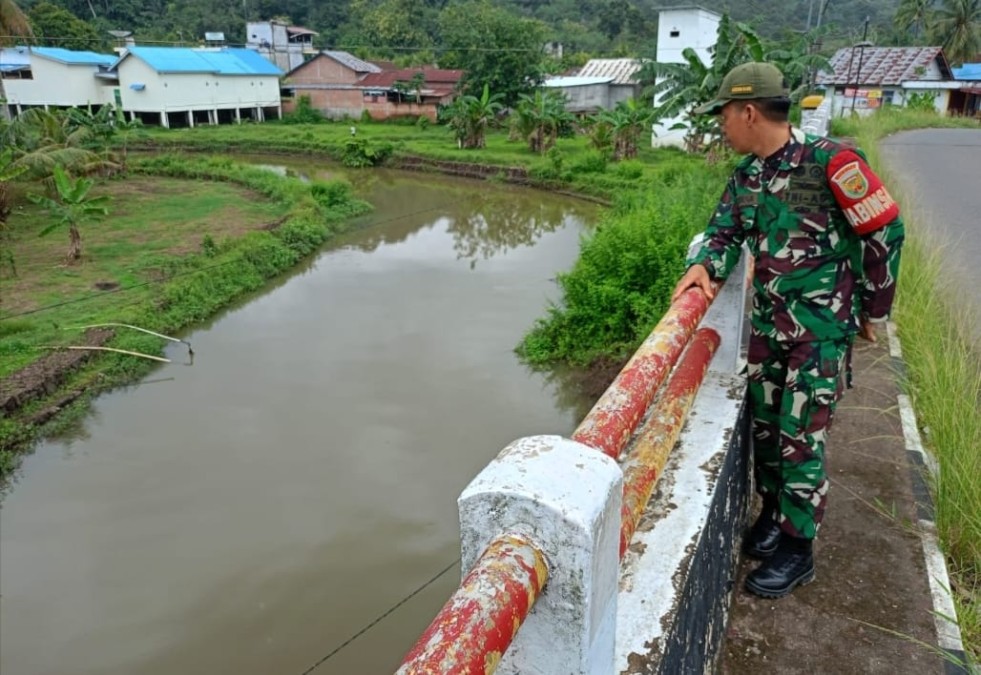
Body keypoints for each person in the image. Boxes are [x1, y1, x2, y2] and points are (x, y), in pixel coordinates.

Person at [671, 62, 904, 599]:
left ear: (748, 111)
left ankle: (799, 550)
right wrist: (705, 263)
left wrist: (873, 309)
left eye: (725, 115)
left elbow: (885, 232)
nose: (721, 126)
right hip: (768, 329)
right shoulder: (748, 175)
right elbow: (725, 229)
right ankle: (776, 517)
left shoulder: (832, 163)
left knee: (802, 436)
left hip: (819, 332)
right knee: (767, 431)